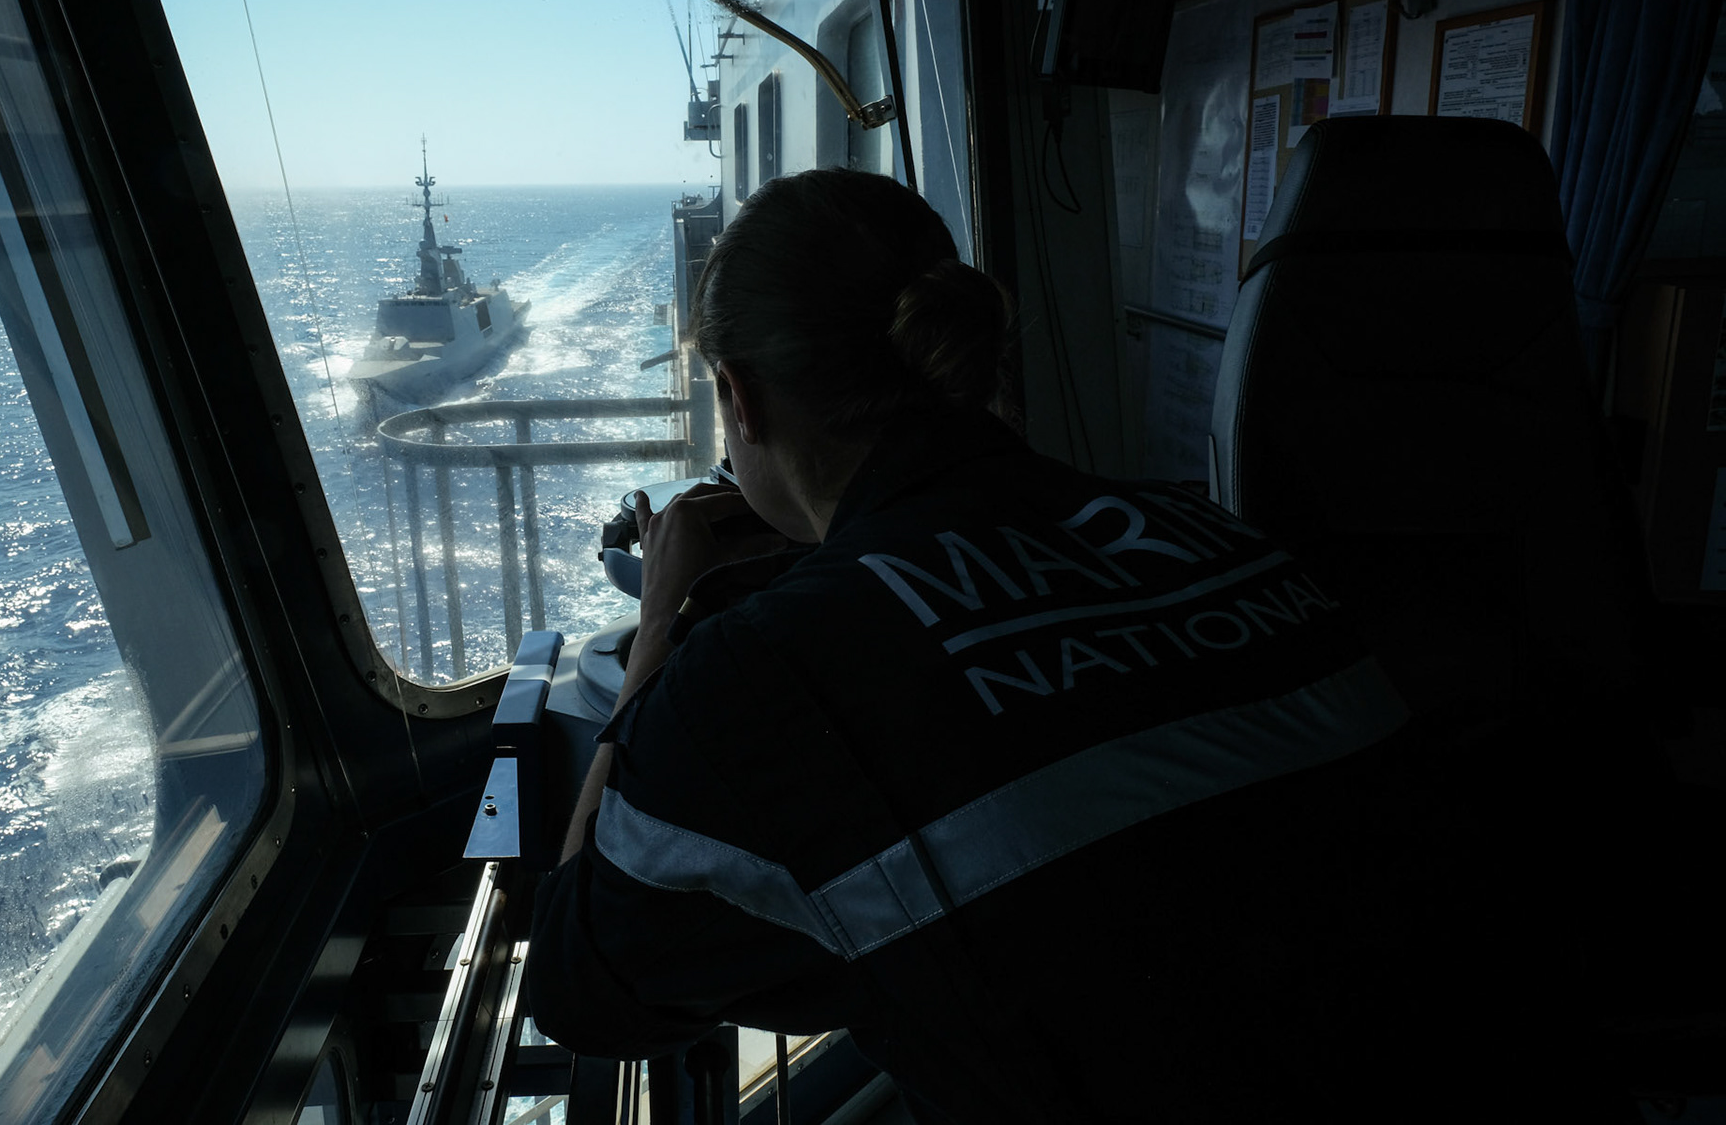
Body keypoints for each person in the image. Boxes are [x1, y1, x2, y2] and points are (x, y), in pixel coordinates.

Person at [527, 169, 1593, 1123]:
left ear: (740, 399)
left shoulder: (759, 678)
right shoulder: (1219, 537)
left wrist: (666, 614)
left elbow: (580, 990)